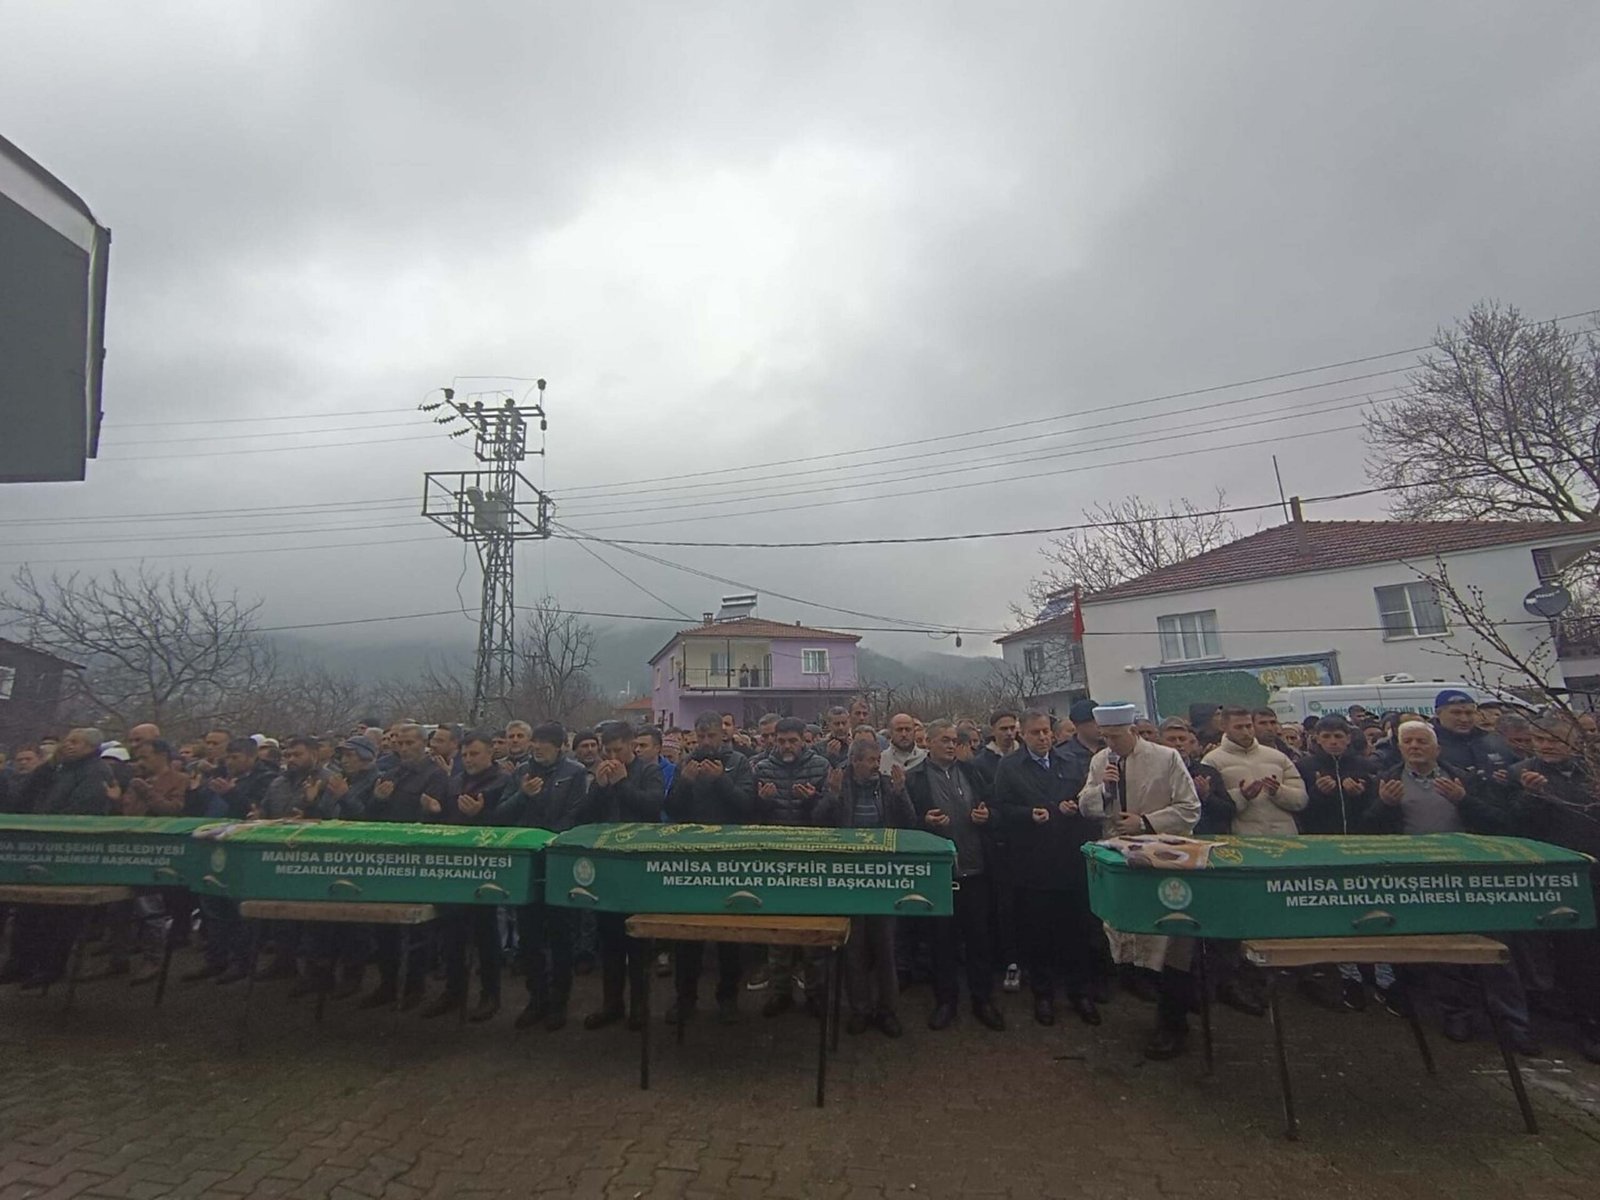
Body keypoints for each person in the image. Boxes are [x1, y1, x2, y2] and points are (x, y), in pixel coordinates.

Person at [1362, 720, 1535, 1053]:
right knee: (1441, 949)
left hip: (1470, 874)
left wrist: (1464, 800)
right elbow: (1366, 832)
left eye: (1422, 741)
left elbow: (1500, 823)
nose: (1415, 747)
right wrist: (1382, 805)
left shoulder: (1464, 778)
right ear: (1399, 748)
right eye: (1408, 741)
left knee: (1494, 947)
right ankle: (1456, 1015)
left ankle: (1512, 1023)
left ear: (1436, 747)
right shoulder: (1386, 781)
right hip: (1420, 876)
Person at [1078, 704, 1202, 1059]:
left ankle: (1174, 1022)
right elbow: (1085, 804)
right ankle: (1151, 999)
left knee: (1171, 941)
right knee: (1130, 934)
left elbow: (1190, 808)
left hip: (1165, 860)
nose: (1111, 744)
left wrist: (1146, 822)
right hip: (1120, 859)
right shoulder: (1101, 761)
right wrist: (1103, 792)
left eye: (1116, 736)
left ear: (1132, 730)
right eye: (1105, 737)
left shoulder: (1166, 758)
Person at [993, 709, 1102, 1027]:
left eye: (1046, 732)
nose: (1042, 737)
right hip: (1033, 864)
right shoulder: (1010, 767)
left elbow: (1088, 799)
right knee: (1038, 935)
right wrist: (1028, 814)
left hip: (1070, 860)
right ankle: (1043, 995)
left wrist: (1074, 807)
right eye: (1035, 733)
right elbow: (1001, 809)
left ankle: (1080, 992)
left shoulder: (1071, 763)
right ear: (1022, 735)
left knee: (1076, 933)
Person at [1508, 712, 1600, 1062]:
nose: (1546, 746)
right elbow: (1511, 824)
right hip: (1561, 877)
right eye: (1540, 739)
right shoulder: (1522, 774)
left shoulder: (1590, 771)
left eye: (1554, 739)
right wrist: (1529, 796)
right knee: (1578, 956)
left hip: (1597, 867)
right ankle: (1589, 1024)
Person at [905, 719, 1005, 1033]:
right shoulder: (914, 779)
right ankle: (945, 1001)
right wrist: (924, 821)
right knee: (941, 942)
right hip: (938, 873)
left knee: (979, 938)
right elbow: (904, 824)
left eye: (954, 739)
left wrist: (987, 817)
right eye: (945, 739)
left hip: (975, 868)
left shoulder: (974, 771)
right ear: (929, 744)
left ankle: (982, 999)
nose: (951, 744)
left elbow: (998, 810)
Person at [493, 721, 591, 1030]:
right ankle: (536, 997)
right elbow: (501, 815)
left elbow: (576, 815)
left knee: (560, 934)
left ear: (560, 746)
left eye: (544, 746)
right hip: (527, 864)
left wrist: (549, 837)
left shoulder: (574, 773)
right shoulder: (521, 772)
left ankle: (559, 1001)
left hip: (558, 861)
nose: (537, 750)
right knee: (530, 934)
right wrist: (523, 795)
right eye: (535, 744)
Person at [814, 738, 915, 1036]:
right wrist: (831, 797)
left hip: (883, 876)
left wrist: (901, 792)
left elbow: (909, 822)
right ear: (854, 762)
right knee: (854, 949)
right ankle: (860, 1009)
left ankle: (887, 1010)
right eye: (870, 761)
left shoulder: (886, 786)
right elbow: (817, 822)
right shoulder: (837, 784)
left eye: (876, 760)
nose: (875, 766)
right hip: (849, 877)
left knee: (886, 947)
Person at [0, 730, 115, 989]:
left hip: (66, 851)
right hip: (37, 847)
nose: (68, 745)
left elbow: (82, 810)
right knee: (28, 910)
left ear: (92, 747)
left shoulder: (96, 772)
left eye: (75, 742)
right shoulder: (58, 770)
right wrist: (45, 768)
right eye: (67, 740)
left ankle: (50, 966)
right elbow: (21, 799)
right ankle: (20, 962)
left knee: (58, 915)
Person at [663, 710, 757, 1024]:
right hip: (692, 856)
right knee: (687, 934)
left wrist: (721, 781)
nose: (705, 742)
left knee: (729, 933)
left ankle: (728, 996)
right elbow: (672, 809)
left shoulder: (739, 763)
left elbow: (747, 807)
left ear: (722, 735)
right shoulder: (685, 764)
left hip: (729, 855)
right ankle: (685, 998)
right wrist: (686, 784)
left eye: (711, 736)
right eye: (700, 737)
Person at [421, 730, 512, 1022]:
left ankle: (490, 994)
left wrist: (481, 817)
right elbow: (448, 821)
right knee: (452, 935)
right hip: (455, 868)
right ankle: (454, 990)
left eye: (475, 754)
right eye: (465, 755)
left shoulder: (503, 782)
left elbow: (508, 822)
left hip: (486, 868)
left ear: (490, 753)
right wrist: (435, 812)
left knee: (485, 936)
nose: (469, 759)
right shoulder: (455, 782)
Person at [752, 717, 831, 1017]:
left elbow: (830, 814)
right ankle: (780, 992)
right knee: (778, 933)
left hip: (811, 857)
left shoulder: (821, 767)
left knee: (812, 934)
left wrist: (812, 801)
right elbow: (752, 814)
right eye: (781, 741)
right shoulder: (762, 769)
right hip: (776, 858)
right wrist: (763, 802)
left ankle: (815, 994)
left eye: (792, 741)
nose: (786, 746)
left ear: (803, 739)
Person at [1202, 706, 1307, 836]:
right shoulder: (1211, 760)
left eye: (1249, 726)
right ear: (1224, 727)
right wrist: (1242, 796)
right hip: (1243, 841)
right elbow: (1213, 805)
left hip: (1285, 837)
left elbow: (1301, 800)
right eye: (1239, 727)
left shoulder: (1278, 757)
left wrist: (1279, 791)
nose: (1246, 732)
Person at [1296, 717, 1377, 836]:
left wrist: (1359, 794)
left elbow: (1374, 804)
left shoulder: (1365, 765)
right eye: (1326, 736)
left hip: (1359, 834)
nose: (1333, 741)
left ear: (1348, 739)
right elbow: (1300, 806)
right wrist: (1319, 793)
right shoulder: (1304, 766)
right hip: (1319, 836)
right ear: (1317, 739)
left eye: (1338, 736)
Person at [1160, 719, 1232, 836]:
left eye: (1182, 739)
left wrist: (1206, 796)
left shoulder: (1207, 772)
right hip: (1166, 837)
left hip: (1205, 838)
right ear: (1159, 743)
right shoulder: (1152, 772)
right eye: (1172, 739)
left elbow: (1228, 811)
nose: (1178, 744)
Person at [1431, 690, 1515, 785]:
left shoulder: (1492, 739)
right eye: (1456, 713)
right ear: (1438, 714)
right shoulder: (1429, 743)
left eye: (1469, 713)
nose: (1464, 719)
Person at [972, 709, 1020, 784]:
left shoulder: (1027, 753)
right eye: (1004, 729)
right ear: (993, 730)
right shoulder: (982, 761)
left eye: (1012, 728)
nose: (1009, 733)